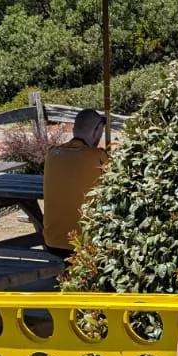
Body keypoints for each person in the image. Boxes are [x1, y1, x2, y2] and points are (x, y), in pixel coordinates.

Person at [42, 108, 108, 253]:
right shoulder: (98, 157)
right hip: (86, 245)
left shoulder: (52, 154)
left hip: (52, 242)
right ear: (96, 131)